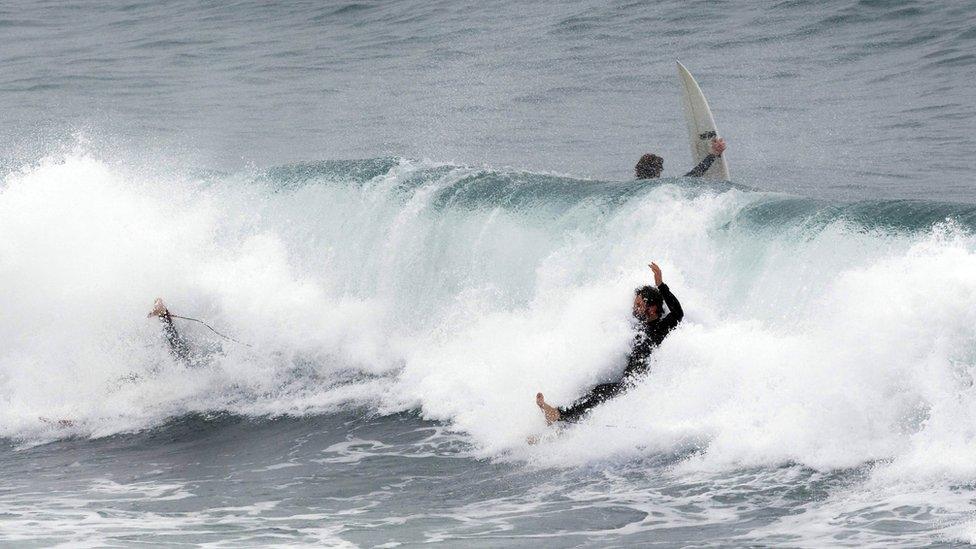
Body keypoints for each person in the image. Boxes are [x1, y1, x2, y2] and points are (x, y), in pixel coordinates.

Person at [536, 262, 683, 424]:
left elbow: (677, 313)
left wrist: (661, 285)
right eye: (635, 304)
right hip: (628, 381)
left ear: (653, 308)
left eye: (639, 305)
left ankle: (558, 415)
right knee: (595, 389)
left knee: (600, 391)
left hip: (636, 385)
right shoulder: (635, 326)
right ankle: (561, 425)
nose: (635, 308)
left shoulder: (659, 328)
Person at [635, 137, 726, 179]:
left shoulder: (633, 187)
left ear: (637, 170)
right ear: (658, 171)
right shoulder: (663, 188)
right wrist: (713, 154)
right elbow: (694, 174)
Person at [148, 297, 191, 364]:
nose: (160, 303)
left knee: (176, 341)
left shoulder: (161, 308)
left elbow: (156, 313)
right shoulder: (158, 309)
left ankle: (183, 356)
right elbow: (151, 314)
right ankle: (181, 357)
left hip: (170, 328)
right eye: (158, 302)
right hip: (167, 329)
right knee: (174, 342)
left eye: (160, 302)